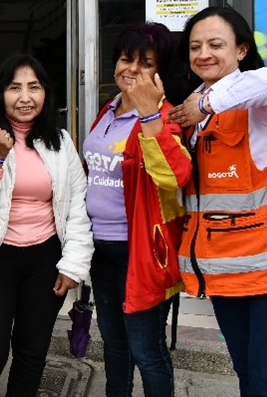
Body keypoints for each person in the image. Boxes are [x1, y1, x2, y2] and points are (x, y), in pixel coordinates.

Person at [167, 6, 267, 397]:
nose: (204, 55)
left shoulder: (259, 107)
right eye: (195, 46)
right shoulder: (192, 112)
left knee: (265, 381)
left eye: (216, 44)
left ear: (242, 50)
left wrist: (209, 102)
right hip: (227, 274)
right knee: (248, 378)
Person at [0, 53, 93, 396]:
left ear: (45, 93)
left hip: (44, 259)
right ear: (0, 93)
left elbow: (77, 207)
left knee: (31, 355)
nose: (25, 97)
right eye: (15, 88)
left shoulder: (60, 141)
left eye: (34, 87)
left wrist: (74, 264)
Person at [83, 23, 191, 397]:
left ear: (160, 73)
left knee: (147, 349)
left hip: (142, 251)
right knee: (113, 344)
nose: (131, 69)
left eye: (145, 63)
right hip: (102, 248)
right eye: (126, 59)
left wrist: (149, 117)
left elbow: (173, 177)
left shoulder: (167, 118)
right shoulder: (108, 110)